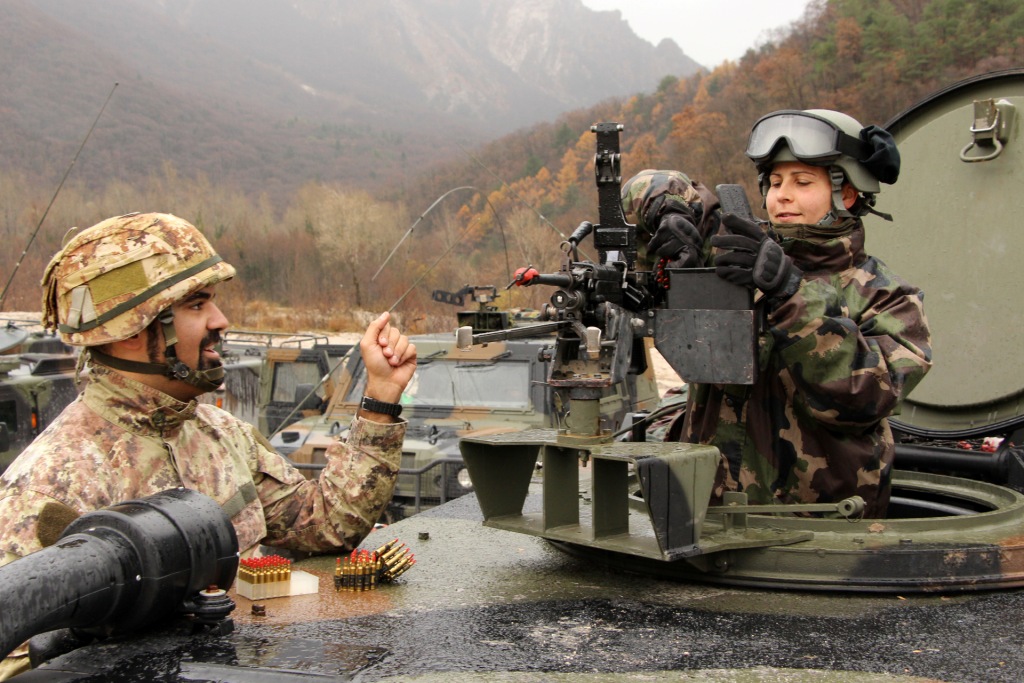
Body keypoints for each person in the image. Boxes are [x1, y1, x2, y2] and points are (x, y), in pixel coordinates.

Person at [0, 212, 416, 677]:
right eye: (197, 305)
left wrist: (380, 398)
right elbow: (19, 666)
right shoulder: (48, 488)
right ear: (133, 329)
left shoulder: (220, 433)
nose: (220, 320)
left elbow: (325, 524)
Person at [624, 109, 932, 518]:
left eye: (803, 182)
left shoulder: (887, 296)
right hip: (704, 513)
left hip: (817, 528)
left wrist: (791, 293)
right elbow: (642, 186)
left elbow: (865, 398)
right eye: (774, 182)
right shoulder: (732, 257)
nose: (782, 195)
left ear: (848, 194)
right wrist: (671, 213)